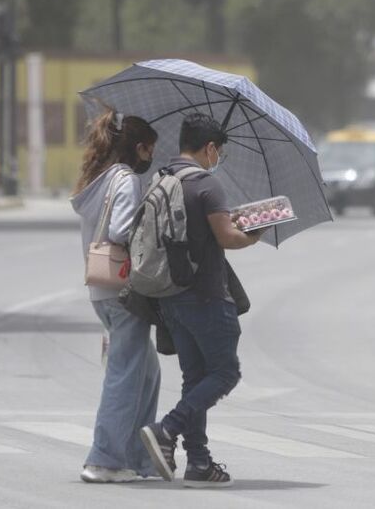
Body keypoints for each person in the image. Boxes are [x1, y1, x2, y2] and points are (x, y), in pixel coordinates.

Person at [140, 113, 262, 488]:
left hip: (170, 297)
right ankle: (167, 429)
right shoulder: (207, 185)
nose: (218, 157)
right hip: (208, 296)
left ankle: (199, 462)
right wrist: (254, 233)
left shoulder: (162, 179)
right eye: (218, 151)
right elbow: (227, 238)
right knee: (225, 373)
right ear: (210, 148)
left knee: (195, 380)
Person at [71, 109, 159, 483]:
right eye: (150, 150)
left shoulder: (99, 177)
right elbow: (122, 231)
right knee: (125, 374)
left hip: (101, 290)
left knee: (147, 373)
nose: (151, 157)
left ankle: (138, 458)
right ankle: (104, 460)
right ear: (139, 148)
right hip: (123, 291)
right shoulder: (125, 181)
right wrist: (152, 218)